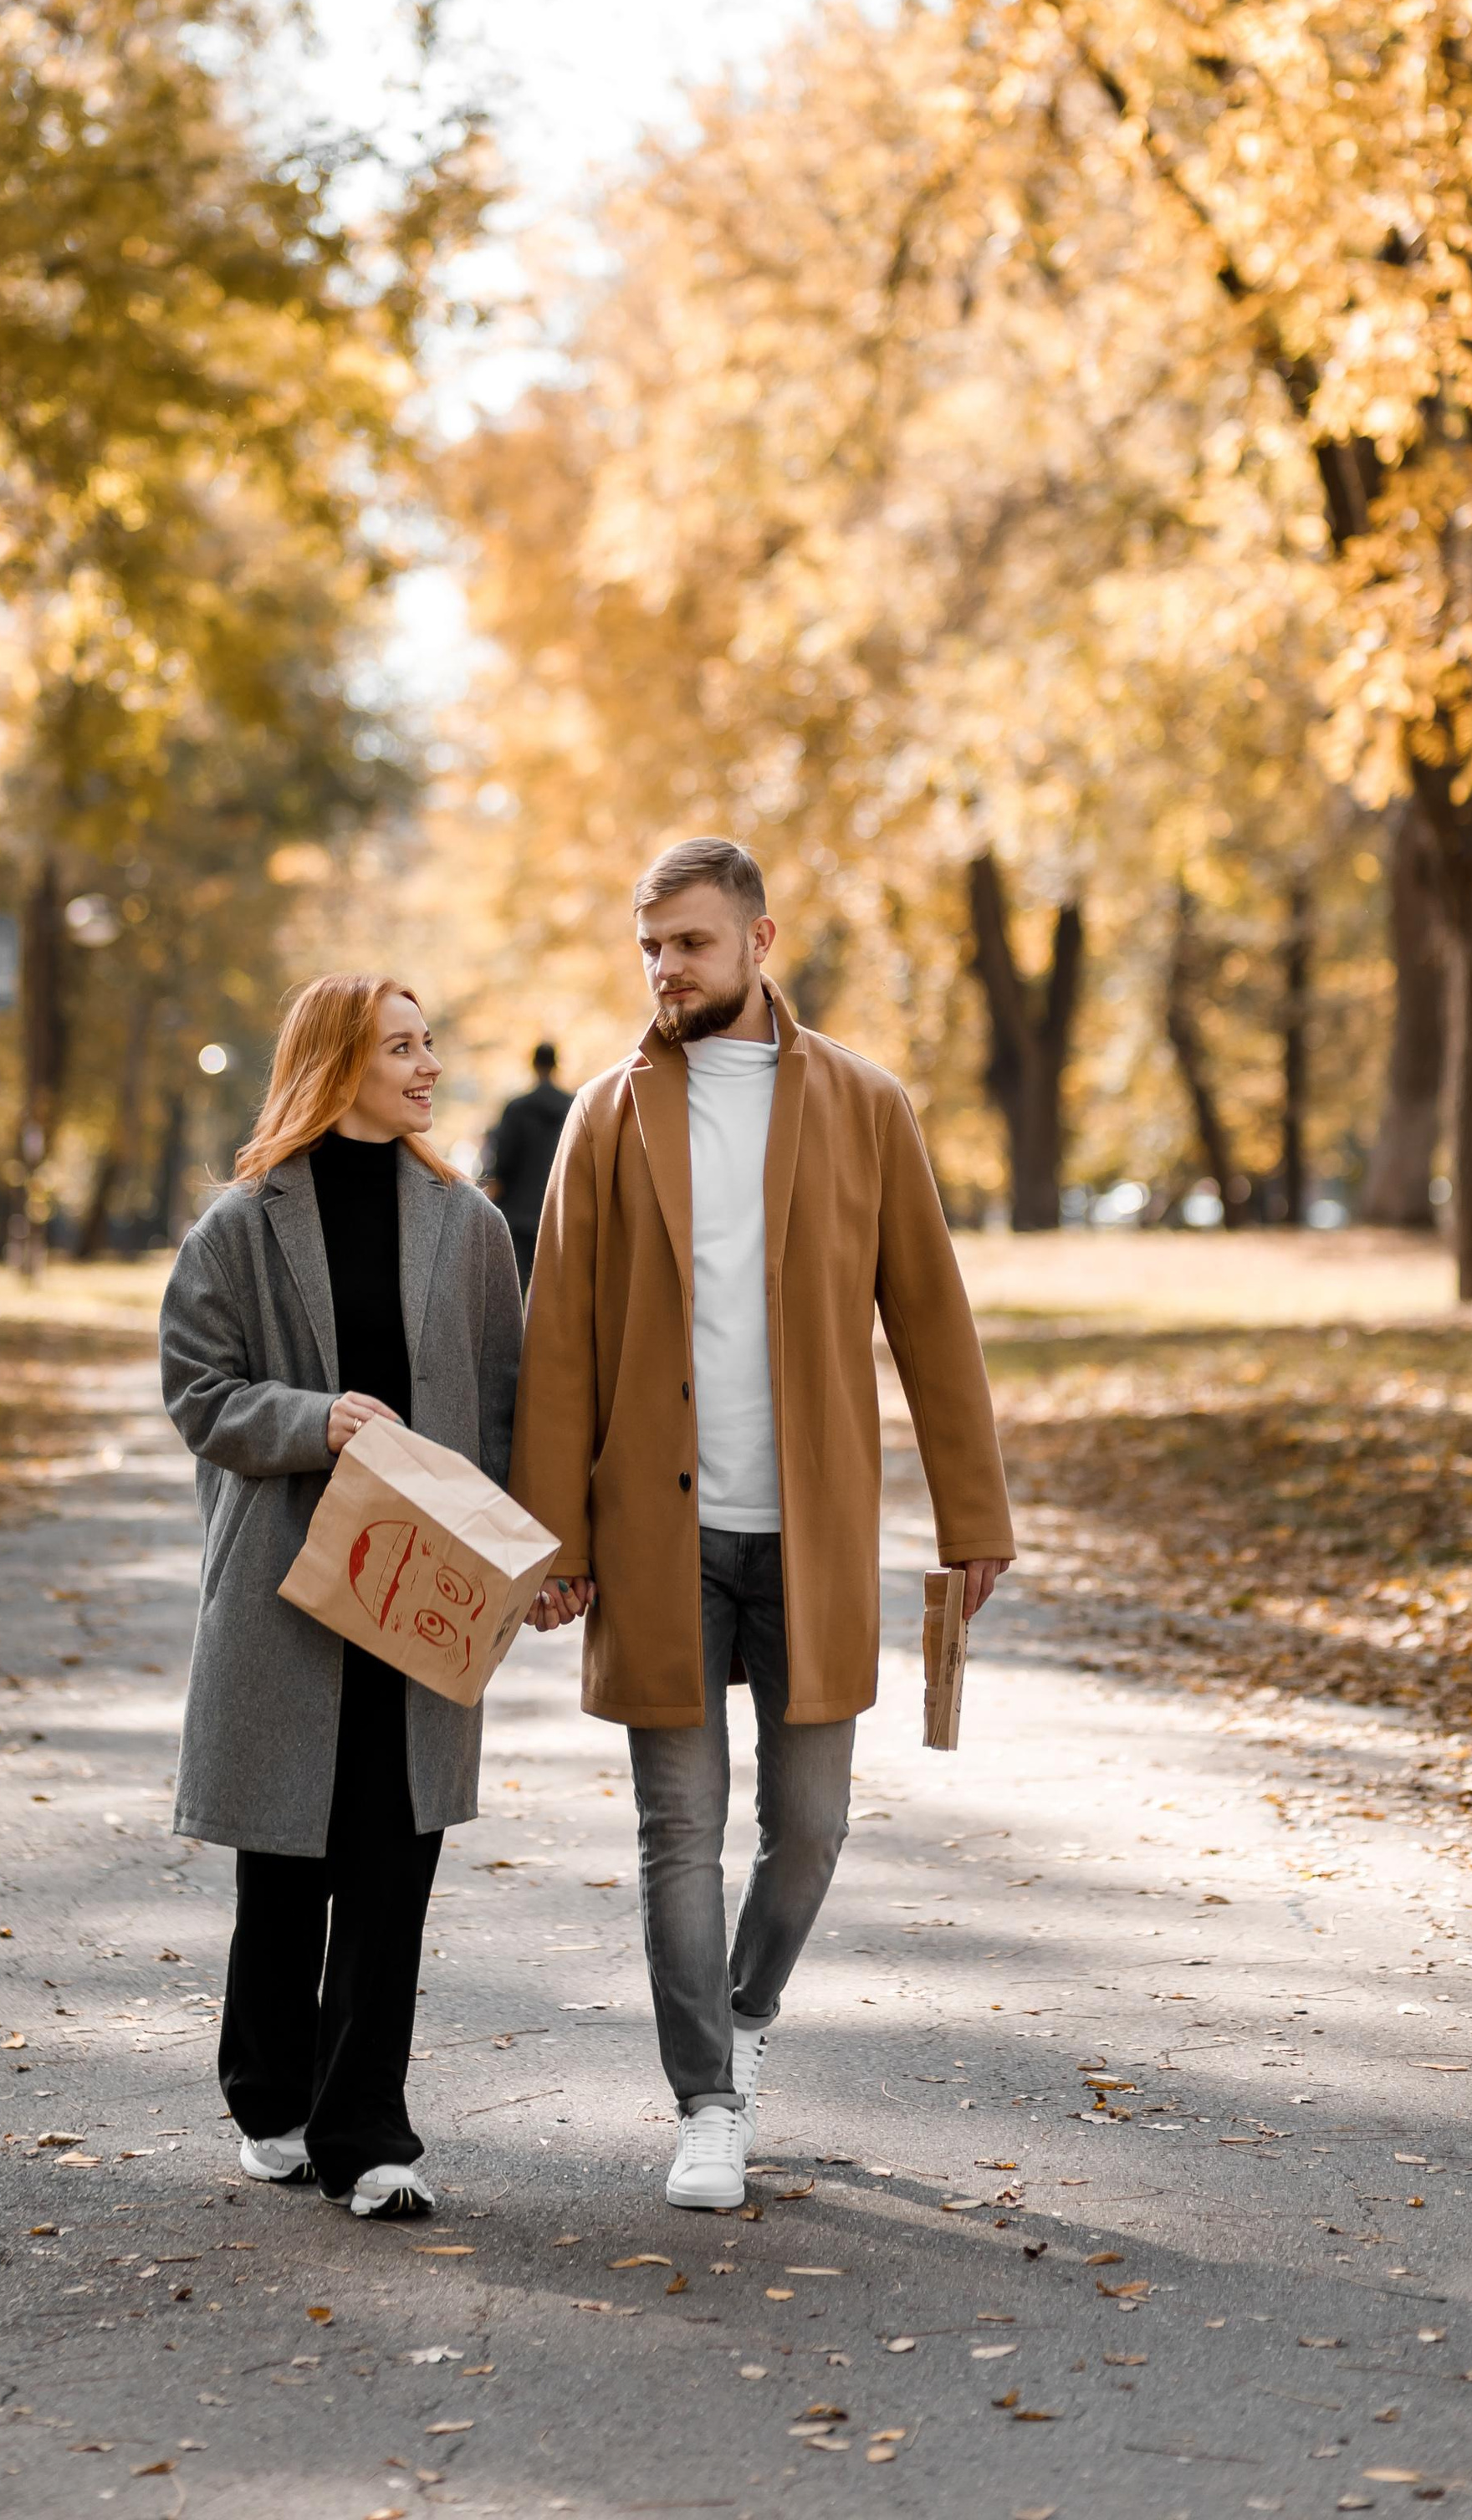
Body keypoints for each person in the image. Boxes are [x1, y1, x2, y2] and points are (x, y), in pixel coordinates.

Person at [511, 837, 1014, 2213]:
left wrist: (976, 1518)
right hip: (658, 1541)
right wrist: (559, 1544)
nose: (667, 969)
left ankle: (744, 2009)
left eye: (691, 943)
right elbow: (560, 1342)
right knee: (680, 1831)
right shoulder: (606, 1118)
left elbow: (932, 1318)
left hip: (812, 1535)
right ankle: (706, 2104)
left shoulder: (864, 1106)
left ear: (759, 941)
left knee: (811, 1831)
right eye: (650, 947)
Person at [159, 974, 523, 2218]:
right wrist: (316, 1420)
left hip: (424, 1588)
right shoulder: (243, 1226)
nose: (427, 1067)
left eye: (430, 1046)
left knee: (392, 1855)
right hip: (286, 1589)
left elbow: (511, 1401)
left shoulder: (469, 1226)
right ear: (336, 1063)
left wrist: (532, 1559)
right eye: (401, 1047)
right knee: (287, 1855)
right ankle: (270, 2096)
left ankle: (369, 2133)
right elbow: (198, 1395)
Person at [479, 1040, 573, 1289]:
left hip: (518, 1212)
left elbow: (503, 1158)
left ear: (534, 1064)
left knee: (515, 1289)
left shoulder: (517, 1109)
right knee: (555, 1293)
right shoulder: (573, 1106)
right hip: (560, 1215)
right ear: (555, 1065)